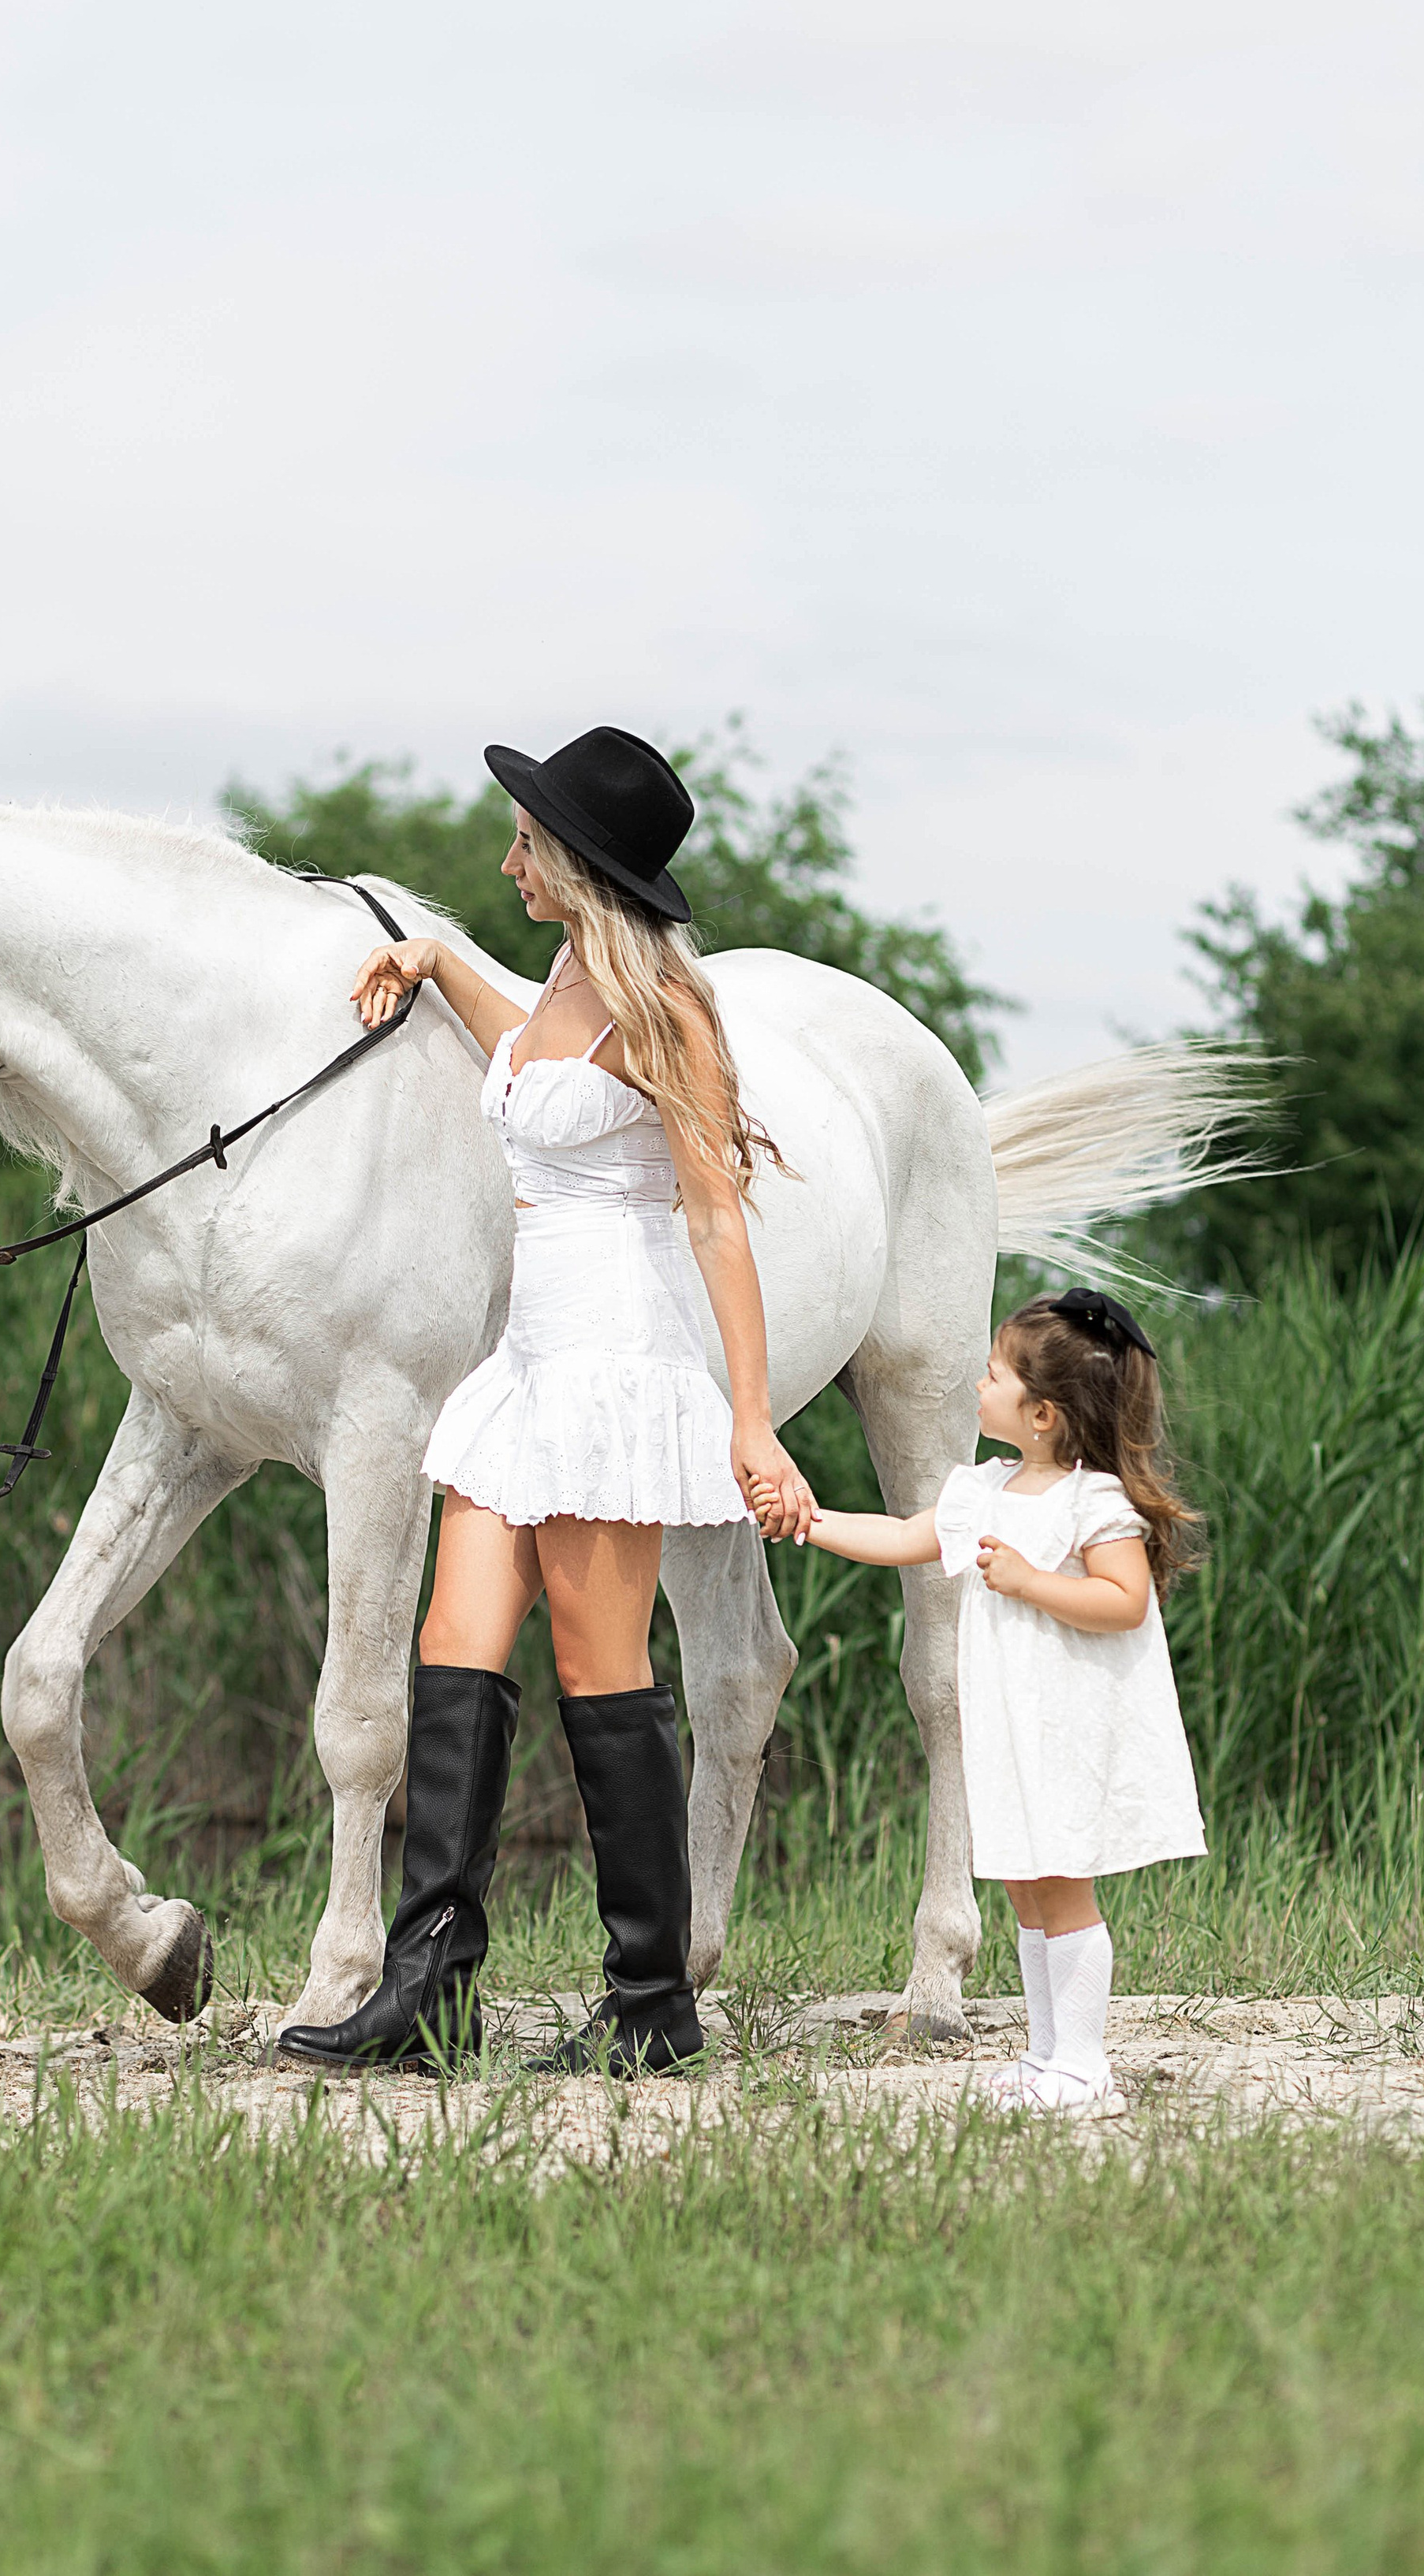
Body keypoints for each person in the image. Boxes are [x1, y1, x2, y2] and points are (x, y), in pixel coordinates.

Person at [276, 724, 815, 2080]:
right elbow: (525, 1048)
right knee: (455, 1650)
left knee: (598, 1669)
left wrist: (751, 1420)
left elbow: (717, 1219)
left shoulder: (667, 1012)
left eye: (528, 843)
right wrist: (434, 958)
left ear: (579, 862)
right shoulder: (570, 975)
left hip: (615, 1364)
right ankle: (427, 1987)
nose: (509, 862)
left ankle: (652, 2002)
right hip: (524, 1365)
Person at [754, 1289, 1205, 2113]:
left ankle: (1084, 2068)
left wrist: (1031, 1581)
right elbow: (902, 1538)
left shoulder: (1093, 1502)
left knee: (1062, 1889)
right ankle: (1046, 2054)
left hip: (1065, 1727)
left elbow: (1125, 1600)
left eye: (994, 1374)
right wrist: (807, 1521)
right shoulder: (983, 1490)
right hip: (1011, 1727)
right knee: (1024, 1887)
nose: (978, 1383)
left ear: (1042, 1414)